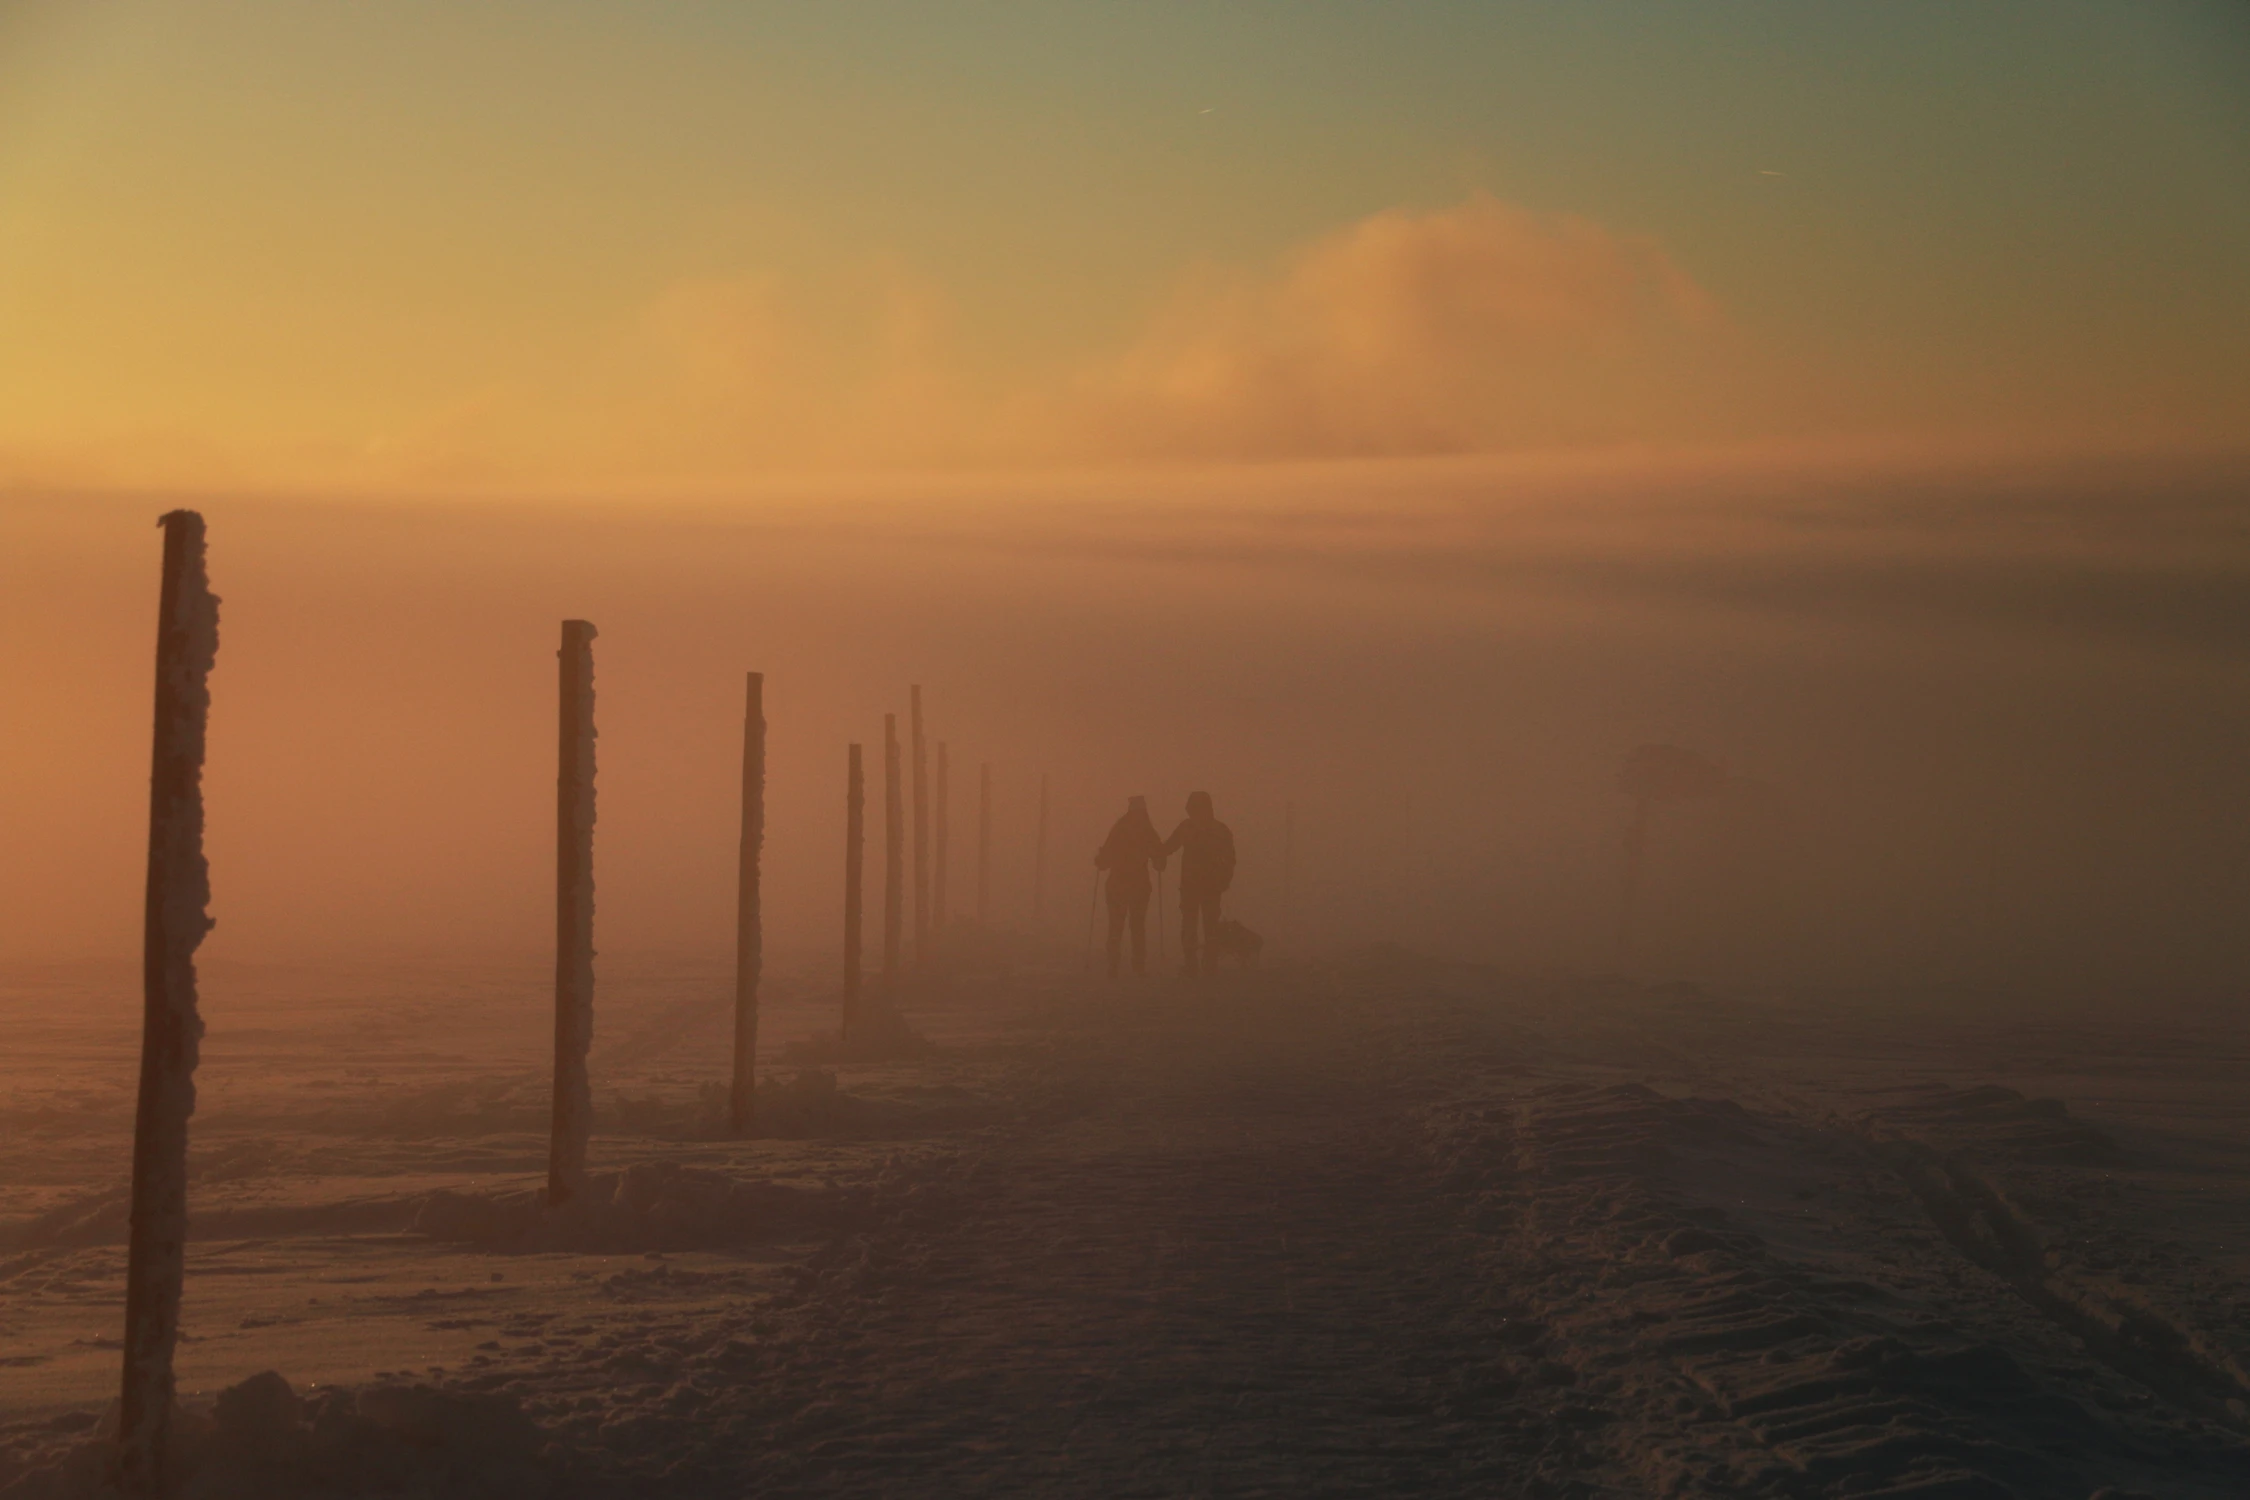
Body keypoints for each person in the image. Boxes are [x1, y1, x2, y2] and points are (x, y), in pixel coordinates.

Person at [1160, 790, 1236, 977]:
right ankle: (1202, 964)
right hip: (1203, 885)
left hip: (1199, 885)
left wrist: (1157, 855)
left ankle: (1198, 963)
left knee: (1197, 924)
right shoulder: (1217, 829)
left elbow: (1169, 847)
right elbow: (1169, 846)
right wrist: (1158, 854)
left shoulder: (1191, 828)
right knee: (1201, 924)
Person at [1093, 795, 1165, 977]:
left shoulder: (1119, 828)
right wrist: (1159, 862)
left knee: (1116, 925)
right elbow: (1159, 858)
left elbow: (1104, 860)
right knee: (1137, 925)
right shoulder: (1147, 831)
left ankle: (1113, 964)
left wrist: (1100, 860)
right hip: (1139, 886)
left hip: (1117, 884)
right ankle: (1138, 965)